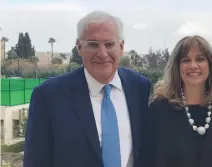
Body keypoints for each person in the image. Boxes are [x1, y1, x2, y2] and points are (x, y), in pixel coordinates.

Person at [23, 10, 151, 167]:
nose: (102, 53)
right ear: (79, 47)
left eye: (109, 44)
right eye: (93, 44)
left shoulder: (140, 87)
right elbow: (36, 161)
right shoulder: (48, 97)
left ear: (121, 47)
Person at [137, 35, 212, 167]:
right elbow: (146, 160)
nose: (193, 65)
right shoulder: (158, 110)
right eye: (186, 60)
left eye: (200, 59)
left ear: (210, 65)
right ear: (177, 67)